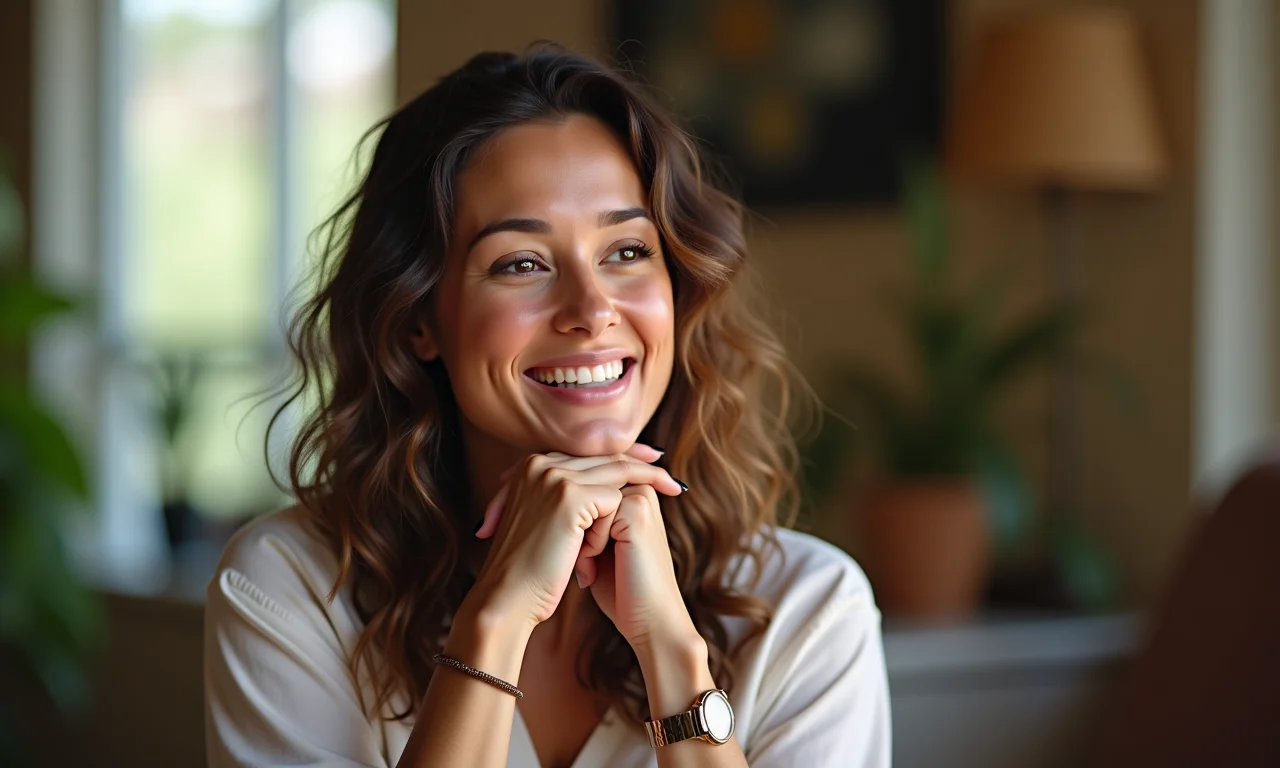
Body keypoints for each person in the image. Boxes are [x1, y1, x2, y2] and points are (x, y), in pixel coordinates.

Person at [204, 46, 891, 768]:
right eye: (521, 264)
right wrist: (495, 622)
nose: (592, 311)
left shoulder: (809, 610)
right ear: (418, 319)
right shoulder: (291, 589)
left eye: (627, 251)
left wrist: (672, 654)